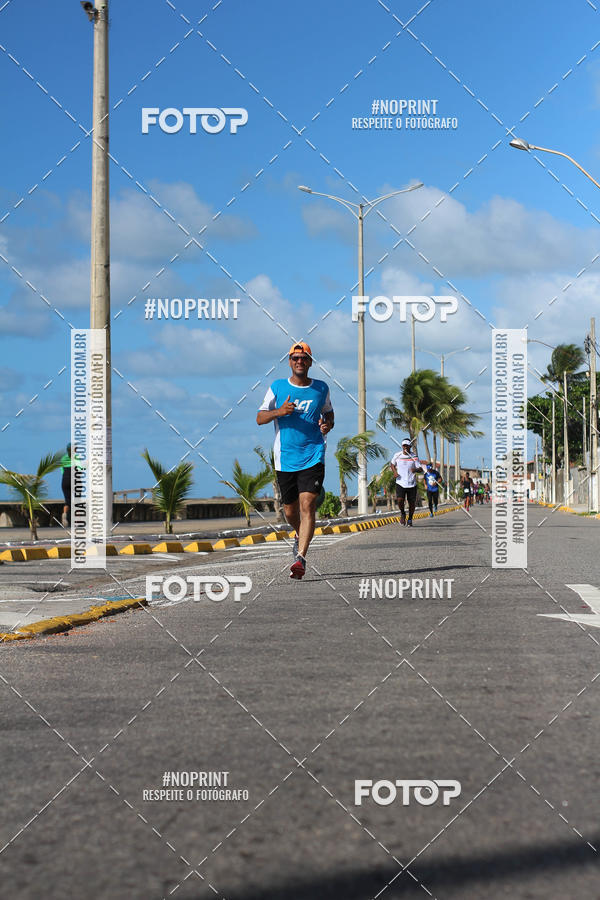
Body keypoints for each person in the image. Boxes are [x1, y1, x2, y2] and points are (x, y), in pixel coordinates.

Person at [257, 341, 334, 580]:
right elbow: (260, 418)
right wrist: (279, 411)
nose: (299, 361)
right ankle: (298, 533)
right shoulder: (278, 387)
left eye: (304, 358)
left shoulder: (321, 388)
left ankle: (300, 559)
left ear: (310, 362)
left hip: (313, 455)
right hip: (285, 458)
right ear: (290, 362)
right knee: (290, 511)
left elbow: (329, 413)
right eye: (295, 358)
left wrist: (327, 424)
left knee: (307, 506)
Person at [390, 439, 425, 526]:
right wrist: (394, 472)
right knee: (399, 500)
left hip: (411, 483)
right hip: (400, 482)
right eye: (404, 445)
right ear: (402, 446)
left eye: (407, 446)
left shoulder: (414, 457)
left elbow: (420, 469)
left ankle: (410, 519)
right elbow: (392, 464)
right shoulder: (397, 455)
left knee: (412, 503)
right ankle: (402, 513)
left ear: (410, 447)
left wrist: (415, 469)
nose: (405, 447)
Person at [60, 442, 72, 527]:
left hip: (64, 481)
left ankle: (64, 514)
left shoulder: (63, 458)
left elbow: (62, 471)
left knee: (67, 501)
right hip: (73, 480)